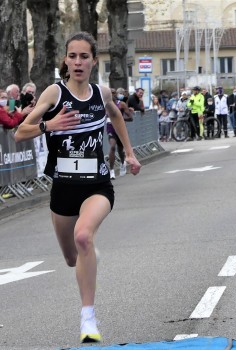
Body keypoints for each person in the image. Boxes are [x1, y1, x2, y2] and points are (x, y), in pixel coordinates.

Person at [14, 31, 141, 344]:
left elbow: (116, 117)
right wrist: (49, 125)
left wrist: (129, 152)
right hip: (63, 189)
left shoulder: (103, 93)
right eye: (73, 56)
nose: (78, 62)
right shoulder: (54, 95)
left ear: (94, 61)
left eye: (84, 56)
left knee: (84, 235)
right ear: (66, 61)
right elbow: (20, 132)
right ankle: (86, 254)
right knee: (72, 256)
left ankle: (88, 318)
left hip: (97, 185)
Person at [107, 88, 134, 178]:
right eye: (110, 93)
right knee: (112, 147)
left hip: (120, 129)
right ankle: (111, 171)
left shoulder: (121, 104)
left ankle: (122, 164)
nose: (112, 94)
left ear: (116, 94)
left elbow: (130, 118)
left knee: (120, 150)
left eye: (114, 93)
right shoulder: (105, 105)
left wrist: (120, 119)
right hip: (110, 128)